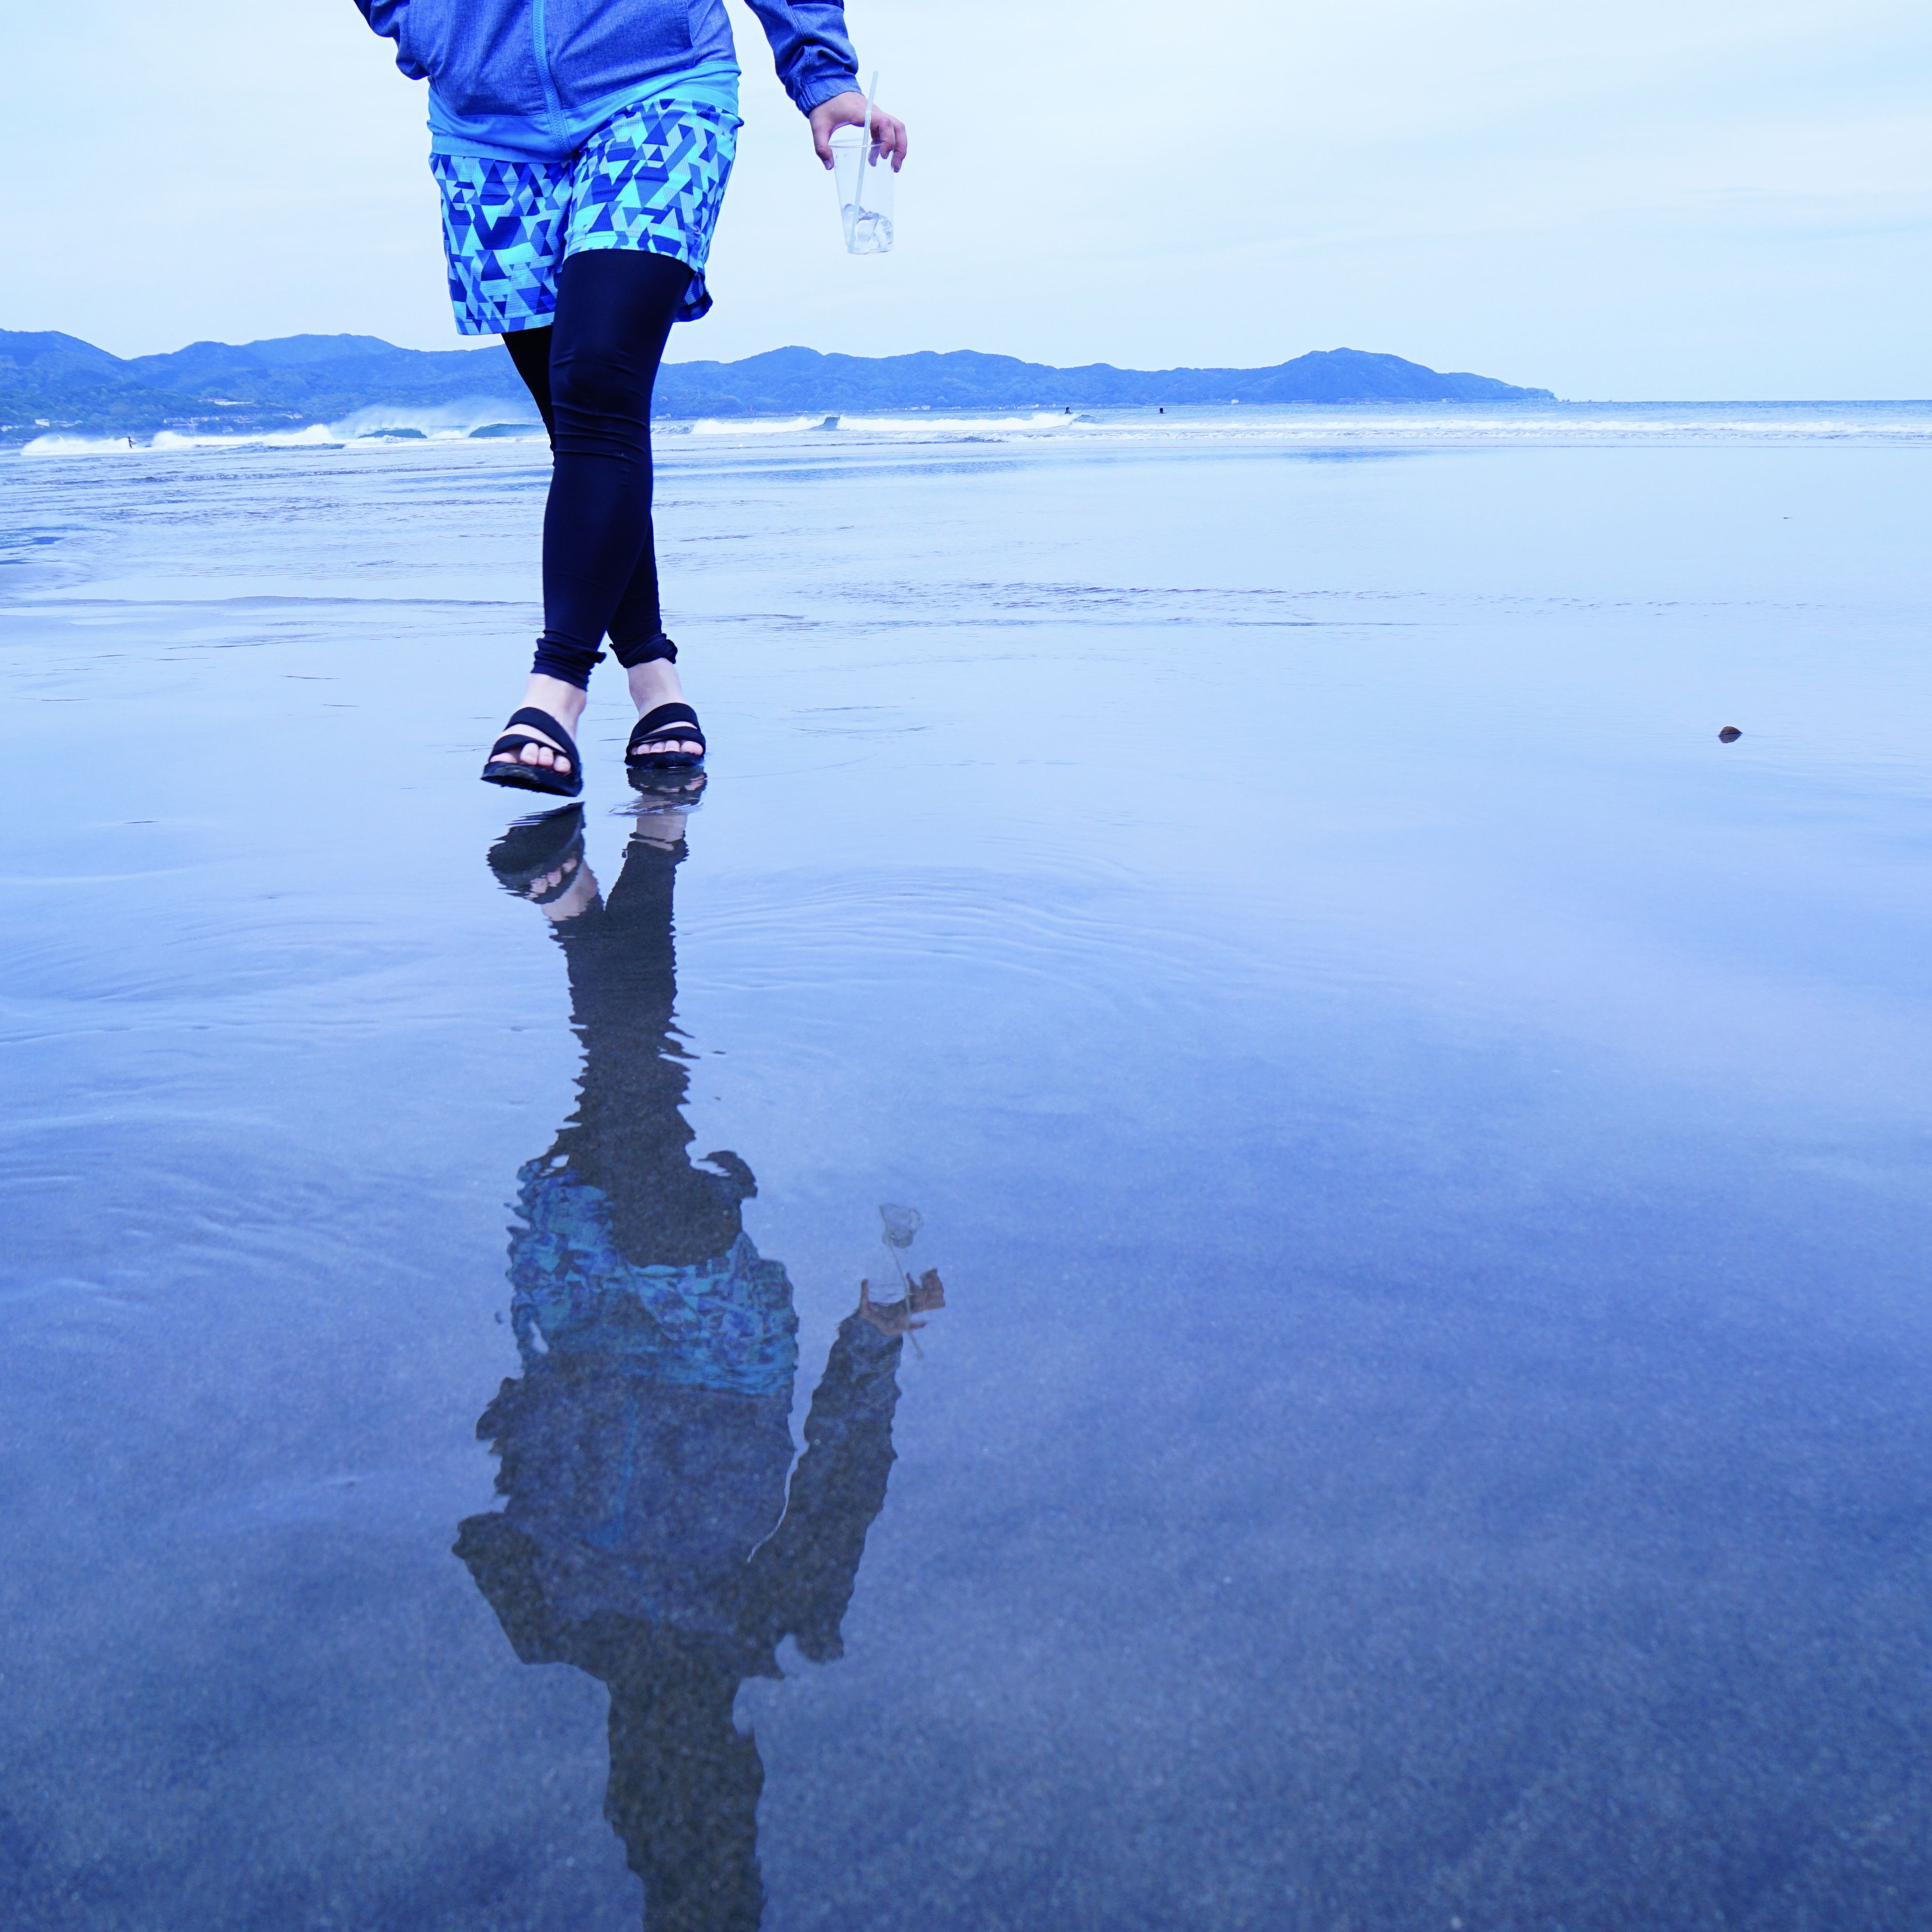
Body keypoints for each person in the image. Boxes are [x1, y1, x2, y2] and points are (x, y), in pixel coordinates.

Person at [462, 797, 943, 1928]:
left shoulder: (548, 1620)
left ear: (626, 1760)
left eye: (647, 1763)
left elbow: (489, 1504)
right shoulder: (765, 1612)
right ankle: (609, 879)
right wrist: (869, 1344)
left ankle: (627, 869)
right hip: (703, 1345)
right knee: (630, 1116)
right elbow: (841, 1474)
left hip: (581, 1330)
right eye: (687, 1765)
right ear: (731, 1759)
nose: (662, 1738)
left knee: (616, 1102)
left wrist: (529, 1437)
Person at [350, 2, 907, 796]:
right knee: (576, 422)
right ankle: (654, 680)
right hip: (486, 125)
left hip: (659, 82)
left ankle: (556, 689)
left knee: (597, 376)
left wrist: (821, 76)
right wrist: (429, 28)